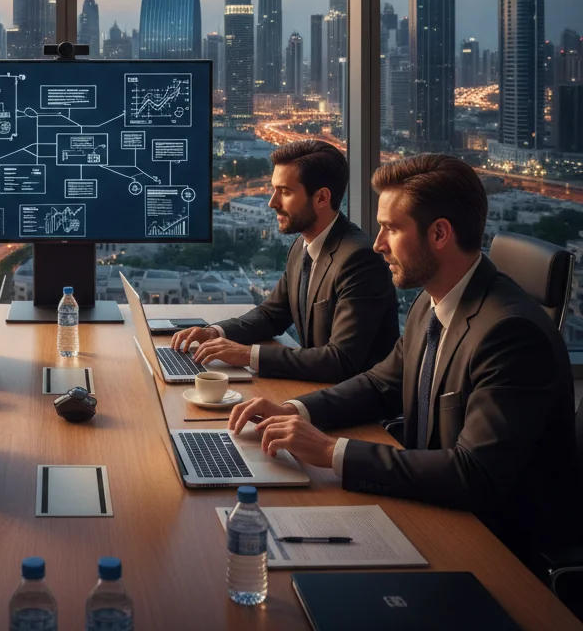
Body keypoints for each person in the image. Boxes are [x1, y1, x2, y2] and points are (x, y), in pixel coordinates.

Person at [228, 154, 576, 566]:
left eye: (391, 229)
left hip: (495, 547)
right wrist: (294, 410)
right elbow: (380, 384)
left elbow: (474, 475)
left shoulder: (511, 335)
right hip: (433, 509)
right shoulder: (433, 304)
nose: (376, 243)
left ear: (440, 234)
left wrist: (331, 451)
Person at [171, 140, 397, 382]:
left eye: (285, 192)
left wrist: (249, 355)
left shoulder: (359, 259)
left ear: (321, 198)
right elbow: (272, 314)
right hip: (317, 389)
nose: (272, 202)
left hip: (357, 410)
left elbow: (340, 360)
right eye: (274, 189)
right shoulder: (303, 245)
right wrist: (214, 332)